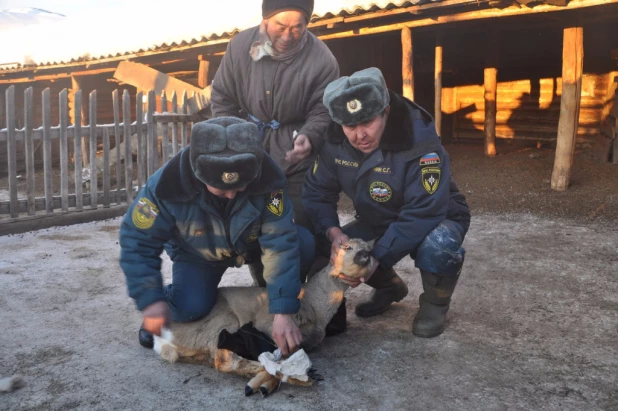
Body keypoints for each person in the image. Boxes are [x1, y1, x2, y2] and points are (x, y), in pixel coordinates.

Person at [119, 117, 313, 355]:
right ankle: (170, 300)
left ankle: (270, 291)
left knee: (303, 243)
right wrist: (151, 301)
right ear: (198, 173)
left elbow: (280, 243)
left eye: (239, 187)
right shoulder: (165, 186)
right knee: (191, 307)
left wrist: (283, 311)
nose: (231, 195)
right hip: (197, 253)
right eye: (221, 189)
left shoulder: (268, 180)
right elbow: (137, 242)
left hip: (252, 245)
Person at [302, 68, 471, 338]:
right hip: (378, 215)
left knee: (437, 245)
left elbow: (422, 211)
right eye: (350, 127)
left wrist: (376, 258)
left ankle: (435, 303)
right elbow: (317, 193)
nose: (360, 135)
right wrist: (333, 232)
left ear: (386, 111)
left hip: (438, 216)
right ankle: (390, 286)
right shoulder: (334, 140)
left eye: (368, 122)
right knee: (326, 246)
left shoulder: (421, 142)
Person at [210, 0, 340, 231]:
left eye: (297, 28)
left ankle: (308, 264)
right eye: (280, 27)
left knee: (301, 222)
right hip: (248, 149)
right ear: (265, 20)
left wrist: (309, 136)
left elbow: (324, 108)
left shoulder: (322, 59)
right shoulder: (239, 47)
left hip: (296, 156)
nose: (287, 36)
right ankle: (261, 267)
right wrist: (235, 140)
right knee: (253, 227)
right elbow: (222, 97)